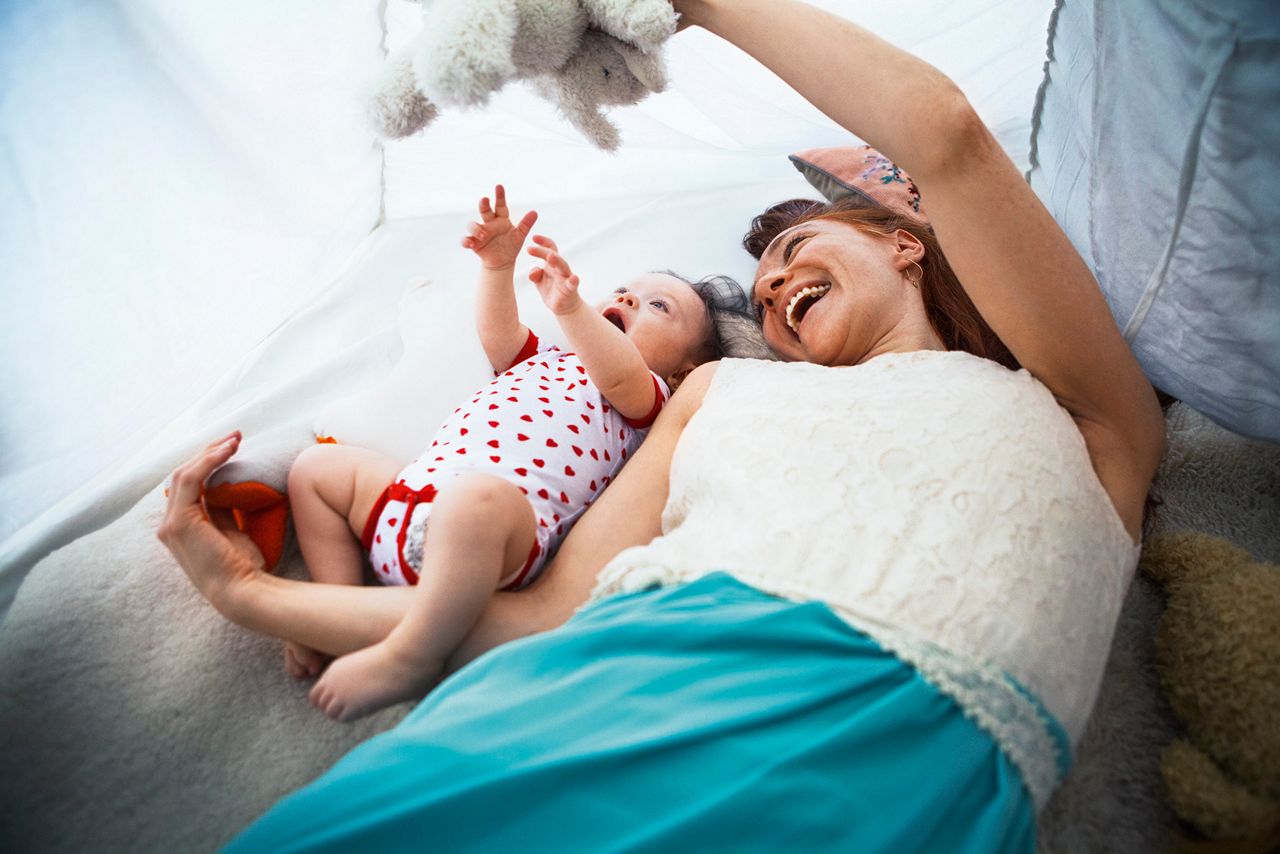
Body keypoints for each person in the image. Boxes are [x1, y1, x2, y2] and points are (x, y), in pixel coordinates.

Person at [158, 0, 1165, 849]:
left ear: (902, 242)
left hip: (859, 782)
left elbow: (940, 132)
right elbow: (532, 615)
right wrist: (249, 598)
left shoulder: (1088, 419)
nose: (772, 291)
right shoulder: (715, 394)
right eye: (764, 297)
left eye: (796, 251)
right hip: (550, 708)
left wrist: (692, 3)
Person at [282, 184, 747, 721]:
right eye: (623, 291)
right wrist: (497, 269)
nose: (625, 301)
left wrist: (574, 309)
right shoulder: (546, 358)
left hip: (495, 538)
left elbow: (617, 369)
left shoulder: (647, 395)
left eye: (656, 306)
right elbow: (498, 334)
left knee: (476, 499)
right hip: (411, 500)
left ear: (683, 370)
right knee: (318, 470)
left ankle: (411, 652)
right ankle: (333, 606)